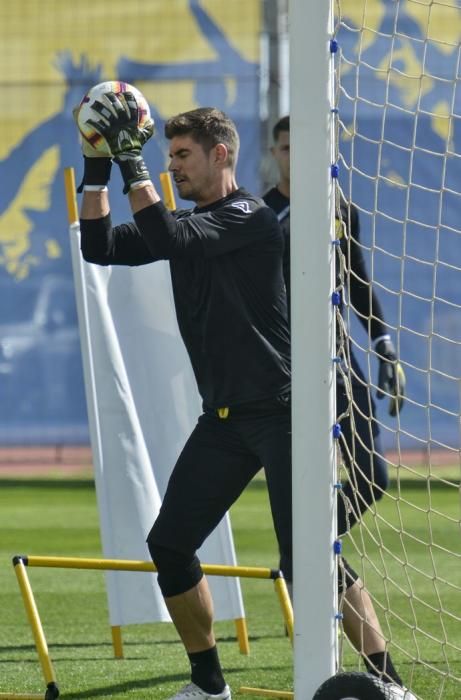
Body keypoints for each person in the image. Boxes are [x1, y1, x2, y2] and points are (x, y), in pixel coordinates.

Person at [76, 99, 291, 700]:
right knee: (169, 544)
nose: (171, 166)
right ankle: (209, 685)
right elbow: (99, 247)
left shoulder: (249, 214)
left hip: (282, 411)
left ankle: (387, 680)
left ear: (220, 153)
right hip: (222, 419)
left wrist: (129, 161)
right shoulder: (190, 226)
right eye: (166, 156)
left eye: (181, 155)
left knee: (307, 559)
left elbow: (167, 233)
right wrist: (98, 169)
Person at [264, 115, 408, 689]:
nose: (295, 153)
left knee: (372, 477)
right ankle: (312, 557)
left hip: (343, 365)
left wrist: (385, 348)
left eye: (306, 144)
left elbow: (361, 285)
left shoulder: (341, 208)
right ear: (274, 152)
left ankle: (310, 551)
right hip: (285, 376)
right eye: (285, 144)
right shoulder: (259, 215)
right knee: (303, 502)